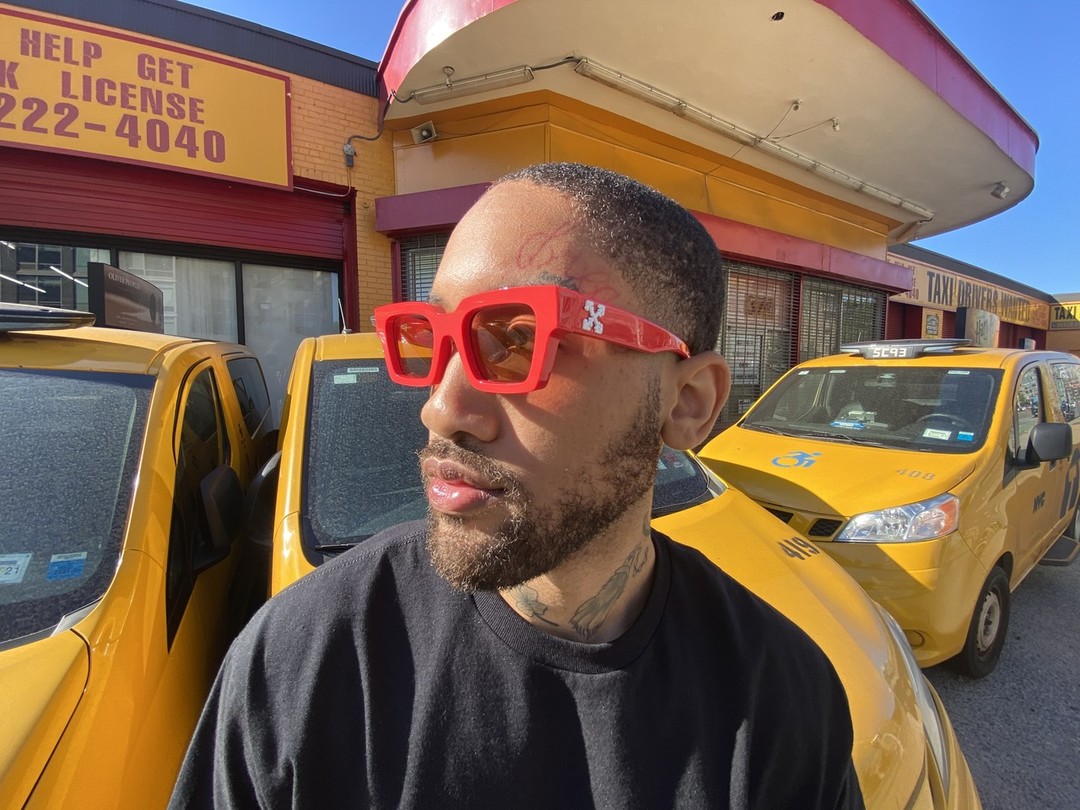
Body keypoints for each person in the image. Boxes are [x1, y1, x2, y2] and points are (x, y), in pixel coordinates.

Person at [170, 162, 863, 808]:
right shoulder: (308, 661)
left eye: (518, 339)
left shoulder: (778, 699)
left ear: (687, 403)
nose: (441, 408)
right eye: (434, 338)